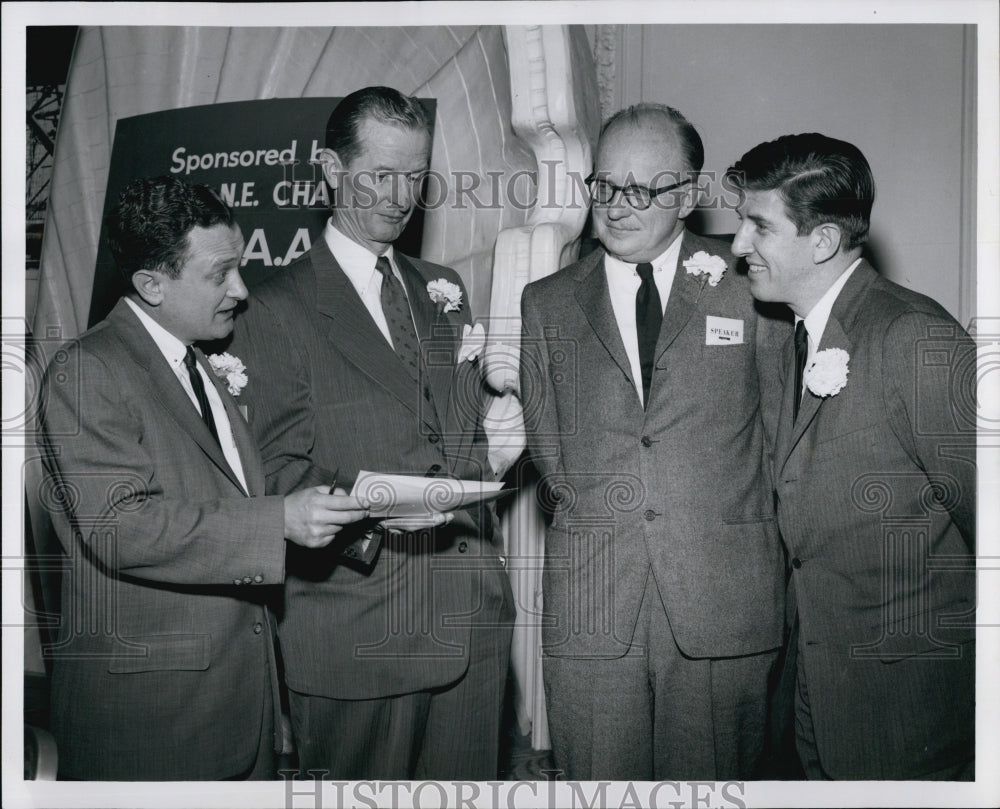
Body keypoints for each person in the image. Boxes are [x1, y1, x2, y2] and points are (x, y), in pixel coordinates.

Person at [37, 176, 368, 780]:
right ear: (151, 285)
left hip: (239, 709)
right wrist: (280, 521)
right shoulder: (87, 370)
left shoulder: (197, 359)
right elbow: (119, 525)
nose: (242, 291)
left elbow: (232, 488)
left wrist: (365, 501)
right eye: (221, 274)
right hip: (155, 726)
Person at [228, 86, 516, 780]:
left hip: (471, 623)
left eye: (415, 177)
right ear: (330, 168)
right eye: (379, 175)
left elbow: (449, 440)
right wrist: (387, 517)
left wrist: (496, 450)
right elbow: (277, 474)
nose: (399, 196)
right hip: (361, 629)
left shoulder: (442, 287)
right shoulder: (274, 307)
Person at [518, 103, 786, 780]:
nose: (617, 206)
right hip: (594, 602)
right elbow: (548, 449)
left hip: (722, 602)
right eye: (605, 186)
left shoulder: (752, 287)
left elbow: (784, 439)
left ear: (691, 194)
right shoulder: (546, 303)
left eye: (643, 190)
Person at [728, 133, 976, 779]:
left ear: (823, 240)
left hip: (908, 709)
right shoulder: (791, 336)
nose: (737, 246)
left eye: (758, 225)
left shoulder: (914, 336)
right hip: (816, 694)